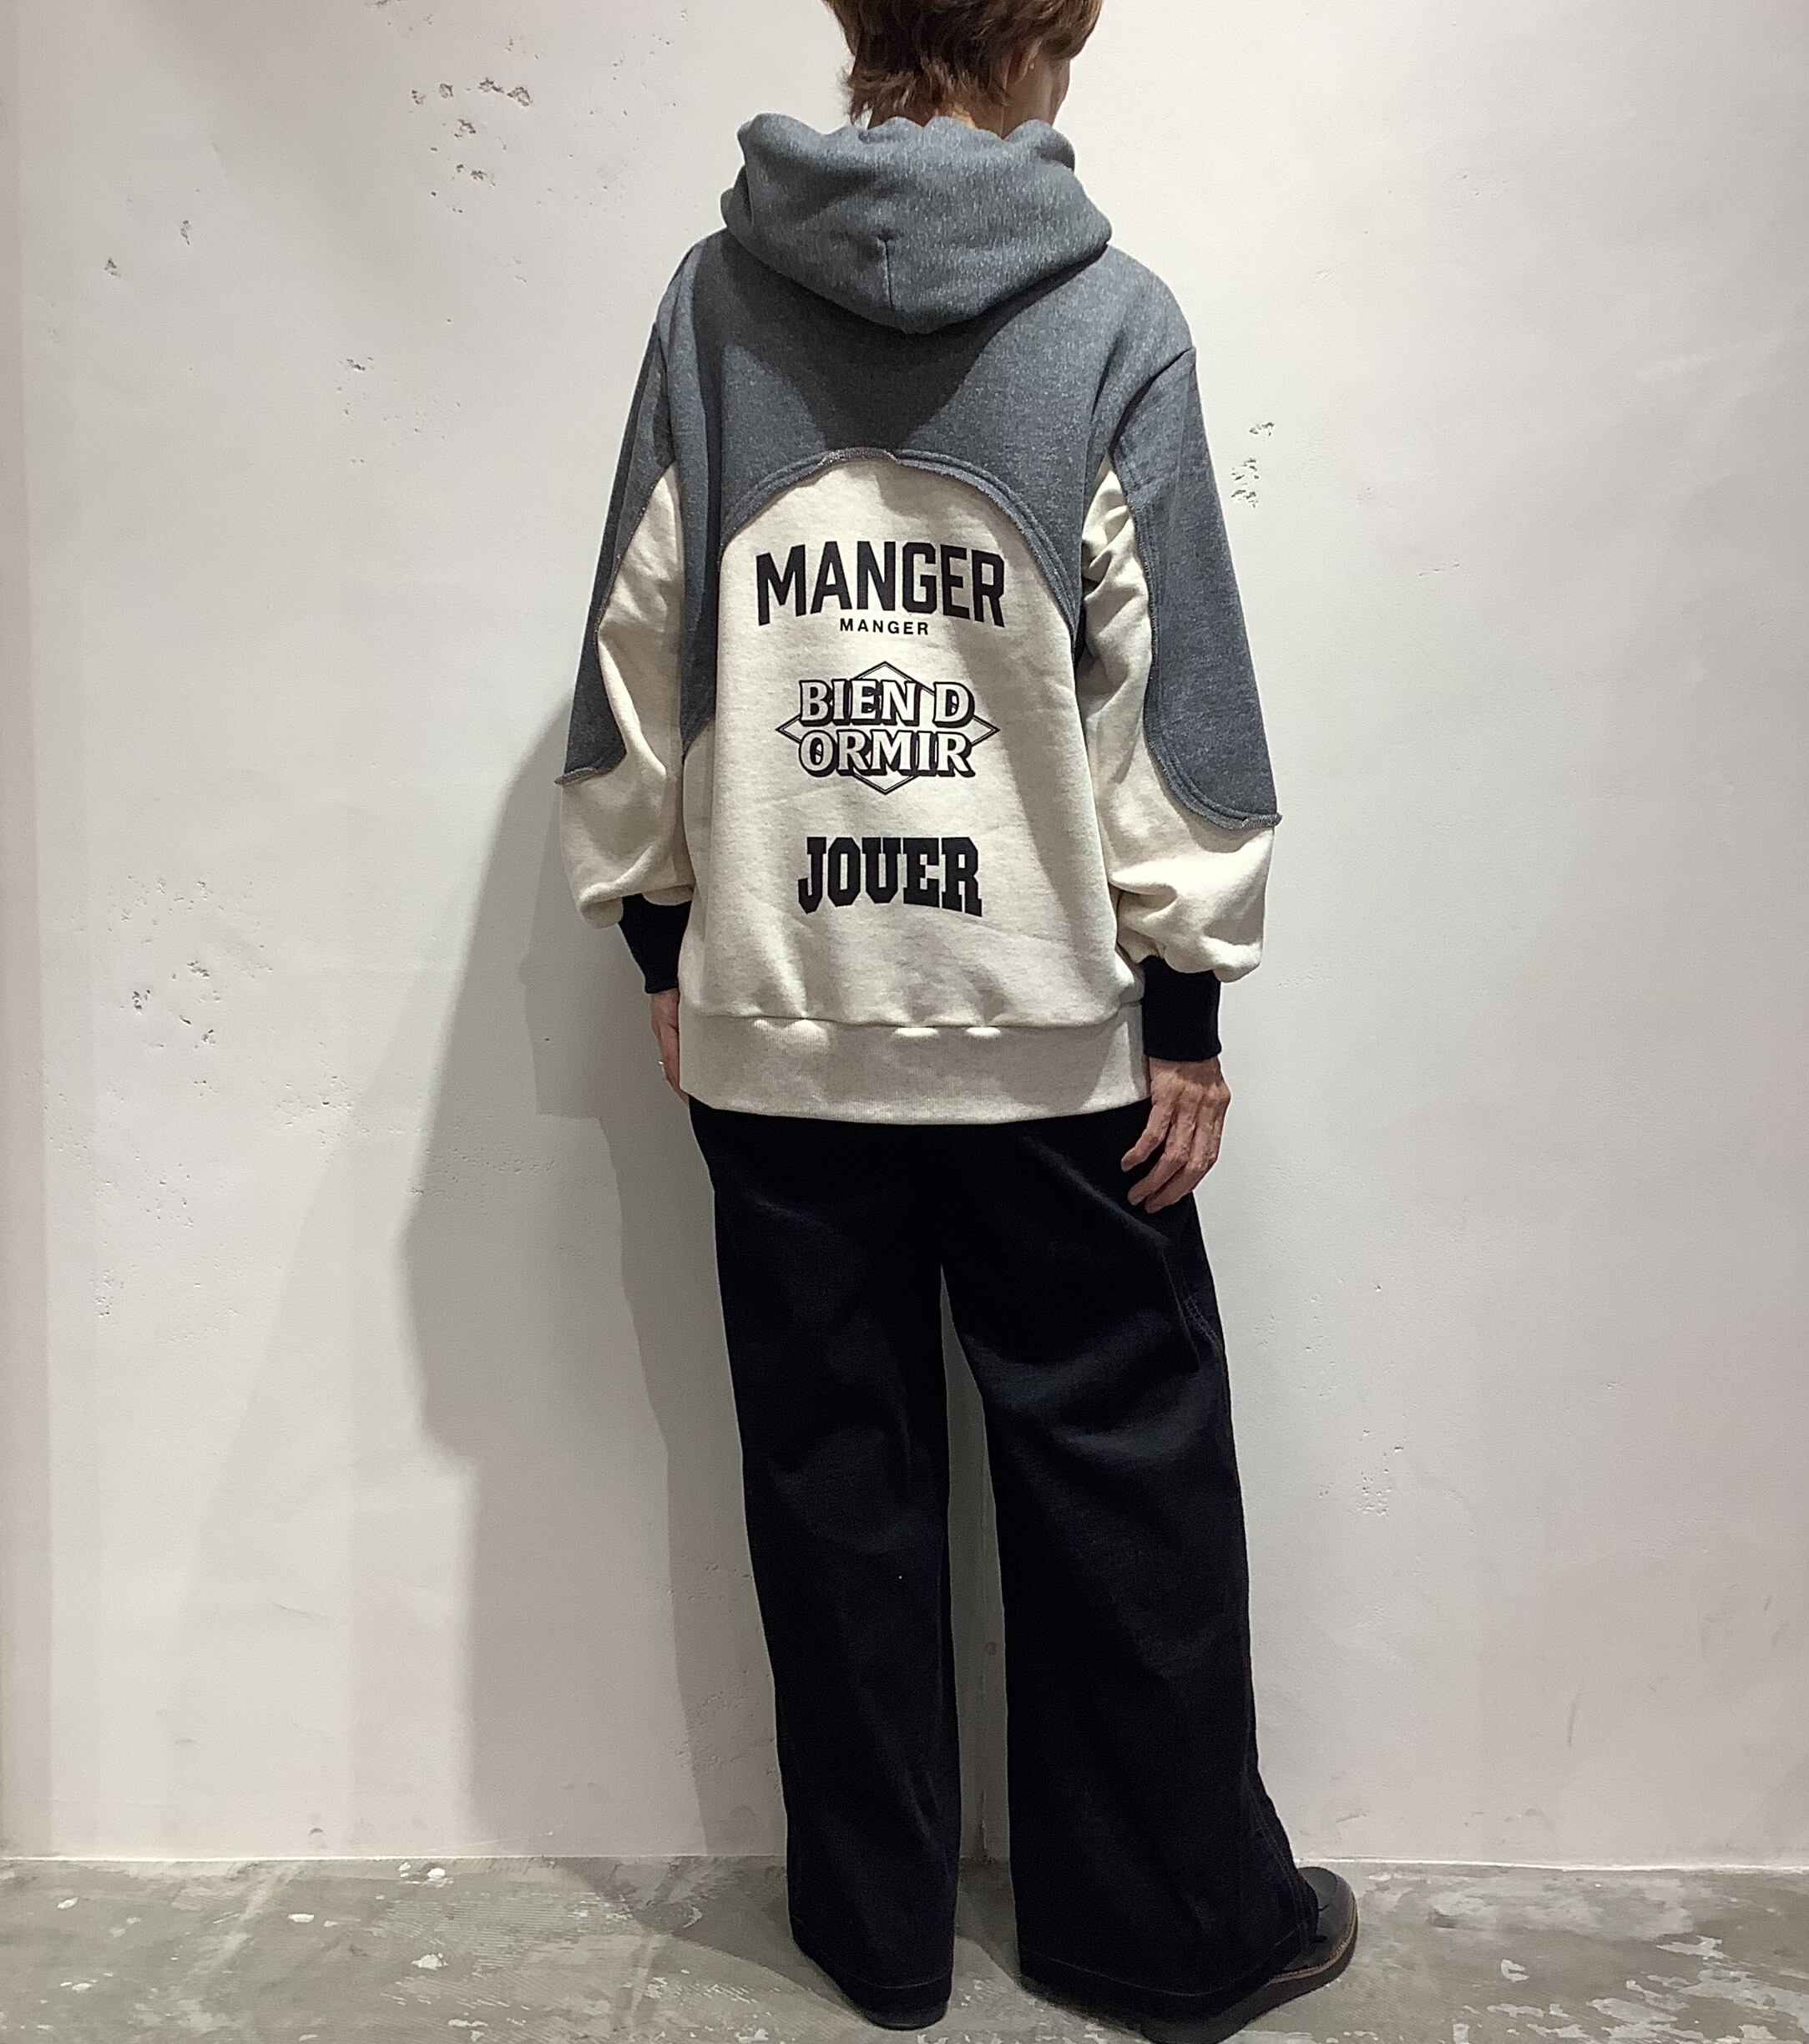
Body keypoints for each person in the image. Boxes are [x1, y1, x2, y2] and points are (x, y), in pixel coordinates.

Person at [556, 3, 1356, 2037]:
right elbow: (1175, 689)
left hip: (780, 1014)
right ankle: (1169, 1932)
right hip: (1051, 1043)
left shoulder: (715, 304)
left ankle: (882, 1940)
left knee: (835, 1490)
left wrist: (665, 938)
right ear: (1047, 43)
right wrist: (1188, 998)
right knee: (1123, 1489)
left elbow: (640, 637)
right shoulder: (1111, 316)